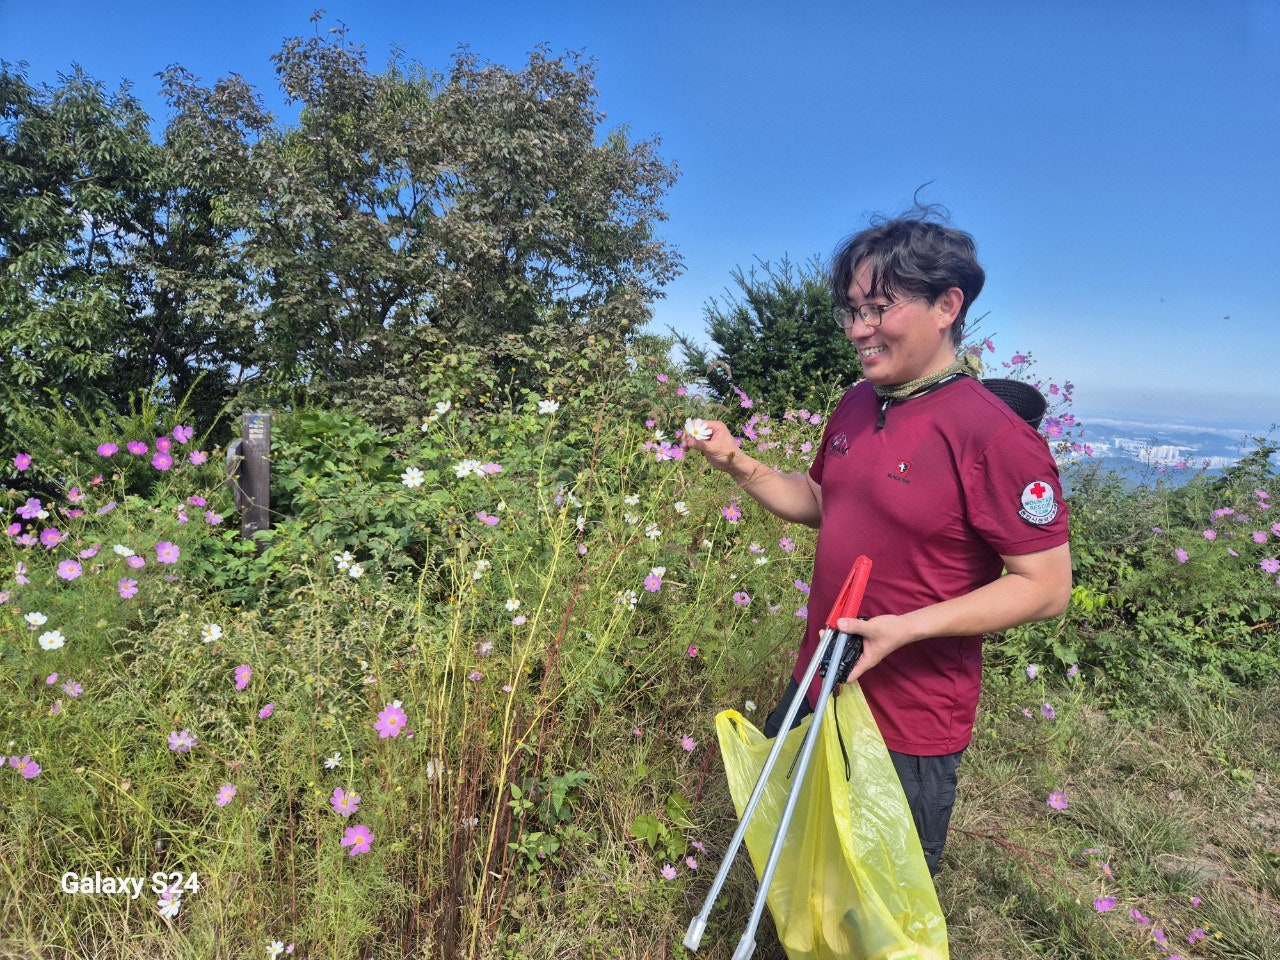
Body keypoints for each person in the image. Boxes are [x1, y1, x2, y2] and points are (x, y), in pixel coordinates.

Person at [681, 213, 1072, 876]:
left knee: (879, 902)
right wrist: (738, 463)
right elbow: (822, 501)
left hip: (907, 718)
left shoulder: (994, 434)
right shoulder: (860, 403)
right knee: (795, 861)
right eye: (852, 310)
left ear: (947, 305)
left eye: (879, 308)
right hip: (820, 678)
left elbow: (1045, 587)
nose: (858, 329)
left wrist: (903, 630)